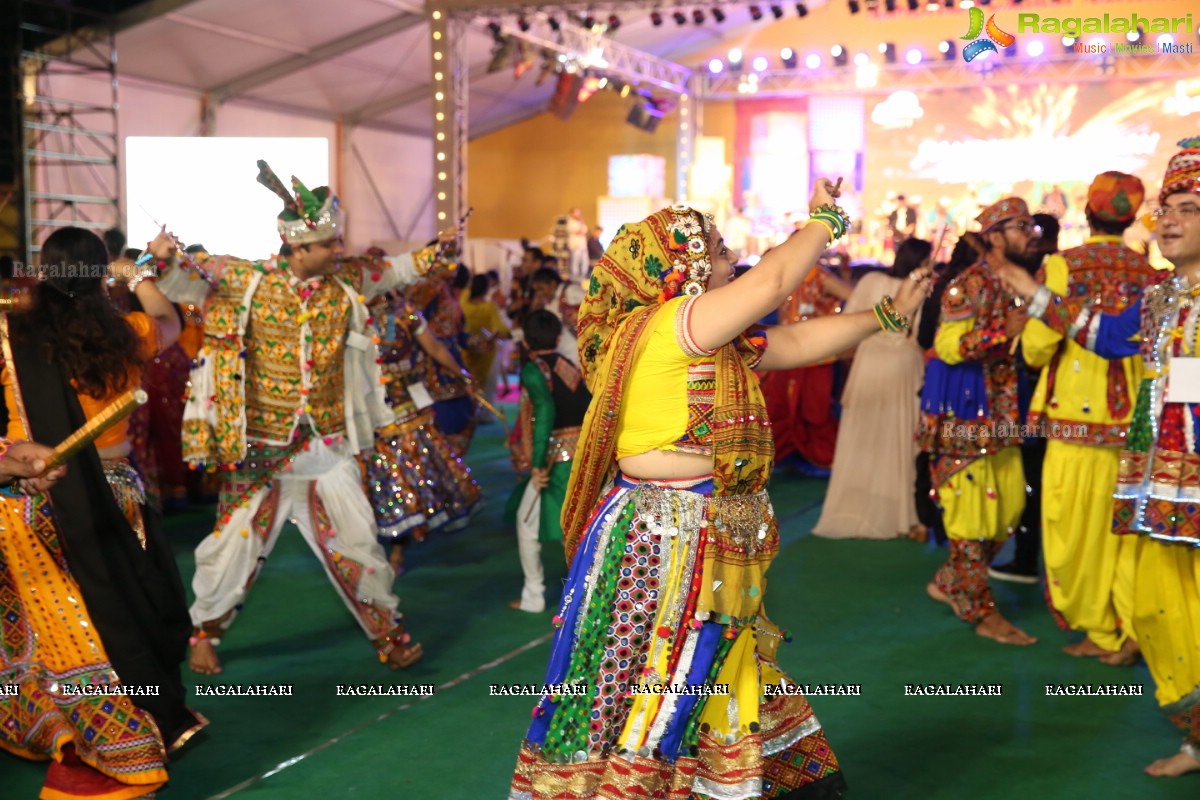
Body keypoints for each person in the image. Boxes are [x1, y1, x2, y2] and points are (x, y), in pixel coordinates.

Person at [509, 185, 932, 798]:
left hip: (708, 531)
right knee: (659, 679)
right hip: (665, 537)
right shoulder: (669, 325)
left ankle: (715, 782)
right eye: (716, 244)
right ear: (687, 272)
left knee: (706, 670)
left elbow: (795, 343)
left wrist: (887, 315)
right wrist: (823, 219)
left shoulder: (714, 340)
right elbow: (771, 283)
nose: (732, 251)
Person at [168, 162, 455, 675]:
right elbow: (184, 280)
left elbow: (396, 270)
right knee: (231, 547)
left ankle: (387, 635)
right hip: (259, 449)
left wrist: (438, 250)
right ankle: (204, 634)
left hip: (327, 446)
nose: (337, 250)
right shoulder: (246, 279)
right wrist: (165, 258)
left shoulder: (346, 279)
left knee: (358, 542)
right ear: (297, 248)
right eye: (327, 244)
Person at [999, 138, 1200, 777]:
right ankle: (1196, 739)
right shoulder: (1162, 294)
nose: (1166, 221)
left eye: (1187, 208)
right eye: (1164, 208)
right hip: (1157, 480)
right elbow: (1108, 338)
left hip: (1182, 478)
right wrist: (1033, 295)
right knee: (1152, 605)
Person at [0, 226, 205, 799]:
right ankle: (113, 734)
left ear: (43, 272)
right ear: (98, 274)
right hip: (114, 495)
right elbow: (169, 322)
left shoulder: (12, 336)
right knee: (112, 619)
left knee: (58, 627)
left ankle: (62, 727)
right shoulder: (128, 331)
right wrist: (136, 274)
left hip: (29, 497)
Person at [1018, 171, 1157, 666]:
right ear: (1133, 220)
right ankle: (1131, 625)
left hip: (1076, 427)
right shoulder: (1152, 275)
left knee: (1074, 533)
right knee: (1124, 533)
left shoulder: (1064, 267)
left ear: (1087, 213)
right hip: (1135, 427)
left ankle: (1103, 632)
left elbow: (1036, 347)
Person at [919, 197, 1039, 646]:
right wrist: (1000, 332)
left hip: (1006, 416)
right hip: (964, 420)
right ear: (993, 235)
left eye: (1031, 227)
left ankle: (951, 582)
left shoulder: (1021, 283)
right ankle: (981, 610)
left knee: (1009, 509)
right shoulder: (966, 285)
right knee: (970, 519)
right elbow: (947, 345)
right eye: (1020, 226)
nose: (1029, 234)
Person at [813, 237, 932, 539]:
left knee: (863, 436)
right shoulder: (922, 290)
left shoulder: (871, 281)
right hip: (903, 366)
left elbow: (851, 323)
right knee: (901, 438)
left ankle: (857, 506)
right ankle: (903, 516)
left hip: (869, 364)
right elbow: (922, 338)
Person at [365, 288, 483, 573]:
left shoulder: (405, 311)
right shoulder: (355, 314)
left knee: (413, 469)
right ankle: (391, 540)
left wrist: (461, 373)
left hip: (407, 405)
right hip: (370, 409)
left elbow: (435, 348)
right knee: (383, 477)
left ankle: (402, 544)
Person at [506, 310, 591, 613]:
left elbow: (544, 415)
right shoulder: (568, 365)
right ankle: (588, 595)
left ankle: (534, 596)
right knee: (577, 528)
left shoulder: (533, 370)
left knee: (529, 524)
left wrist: (538, 465)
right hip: (582, 457)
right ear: (557, 338)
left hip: (556, 462)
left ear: (526, 342)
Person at [462, 273, 512, 391]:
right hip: (486, 350)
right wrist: (510, 332)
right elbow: (501, 328)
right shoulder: (489, 307)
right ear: (486, 289)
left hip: (466, 349)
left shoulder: (463, 303)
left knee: (468, 384)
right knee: (486, 390)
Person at [566, 206, 590, 280]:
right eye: (577, 212)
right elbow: (577, 231)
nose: (579, 214)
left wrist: (582, 223)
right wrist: (581, 227)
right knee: (575, 262)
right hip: (575, 245)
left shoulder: (580, 222)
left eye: (579, 212)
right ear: (572, 213)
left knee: (585, 261)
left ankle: (583, 276)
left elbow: (586, 232)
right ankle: (575, 278)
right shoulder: (570, 222)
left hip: (583, 245)